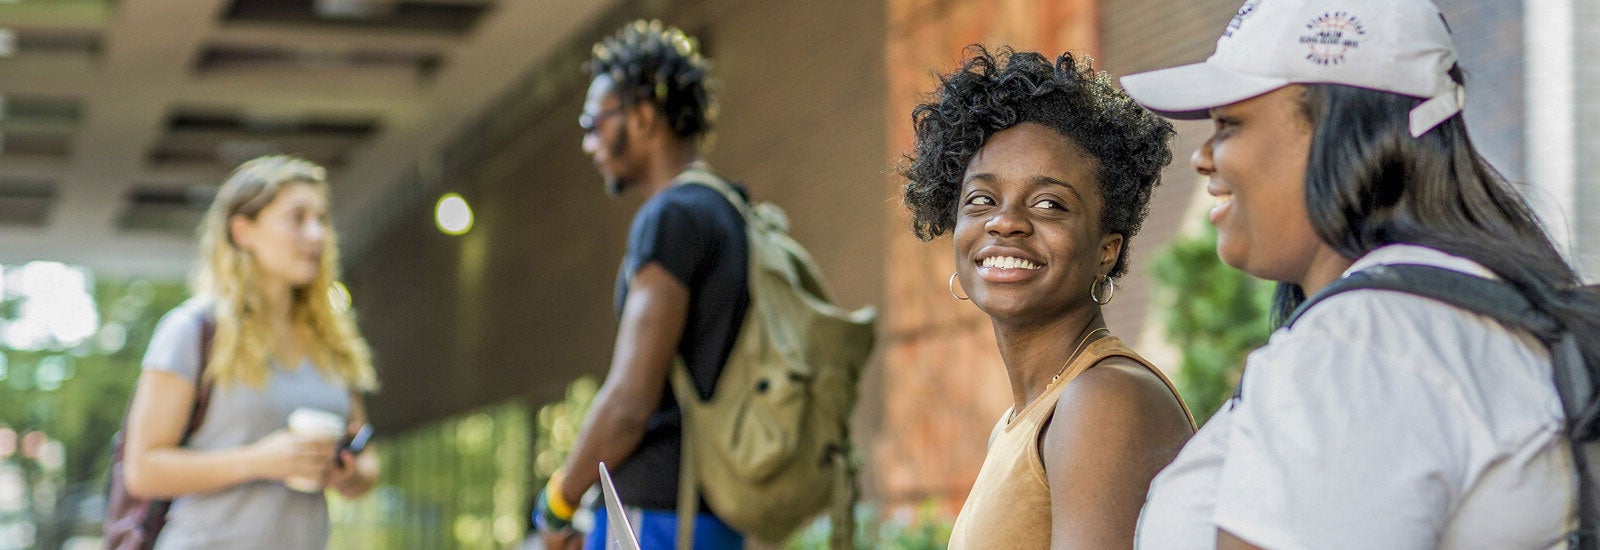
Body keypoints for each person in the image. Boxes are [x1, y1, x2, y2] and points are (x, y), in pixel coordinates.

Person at [1120, 0, 1595, 547]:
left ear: (1338, 133)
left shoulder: (1361, 342)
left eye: (1228, 124)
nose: (1201, 157)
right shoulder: (1475, 312)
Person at [901, 45, 1194, 549]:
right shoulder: (1025, 421)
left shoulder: (1104, 400)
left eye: (1049, 203)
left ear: (1107, 249)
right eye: (981, 200)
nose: (1005, 221)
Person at [532, 20, 746, 550]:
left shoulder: (670, 217)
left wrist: (557, 502)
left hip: (656, 517)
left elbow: (629, 403)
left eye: (593, 123)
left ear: (644, 117)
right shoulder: (733, 212)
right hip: (719, 514)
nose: (589, 143)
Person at [121, 155, 381, 548]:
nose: (317, 235)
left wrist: (348, 473)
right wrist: (261, 460)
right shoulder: (193, 330)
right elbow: (142, 470)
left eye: (322, 219)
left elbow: (367, 462)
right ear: (243, 231)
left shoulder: (333, 339)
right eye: (297, 218)